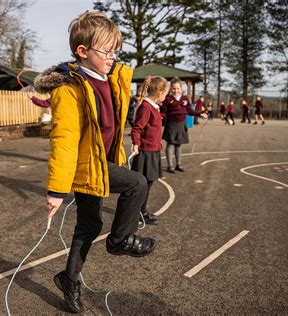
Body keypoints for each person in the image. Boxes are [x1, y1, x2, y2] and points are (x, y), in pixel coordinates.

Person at [33, 12, 155, 313]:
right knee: (137, 183)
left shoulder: (111, 78)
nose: (112, 56)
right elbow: (64, 140)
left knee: (89, 224)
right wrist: (57, 191)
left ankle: (68, 278)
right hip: (86, 165)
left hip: (102, 160)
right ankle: (120, 240)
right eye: (106, 51)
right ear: (82, 51)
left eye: (116, 50)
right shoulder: (69, 88)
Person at [131, 76, 169, 226]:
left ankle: (142, 210)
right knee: (143, 184)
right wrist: (136, 143)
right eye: (165, 94)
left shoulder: (154, 107)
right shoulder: (146, 107)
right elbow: (137, 128)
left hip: (154, 151)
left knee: (149, 182)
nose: (165, 97)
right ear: (159, 93)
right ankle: (138, 212)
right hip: (145, 153)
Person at [160, 78, 207, 173]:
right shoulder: (167, 99)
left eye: (178, 88)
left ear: (181, 88)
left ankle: (178, 164)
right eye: (173, 88)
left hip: (182, 124)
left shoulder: (185, 99)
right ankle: (170, 166)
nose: (176, 91)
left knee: (178, 145)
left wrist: (200, 114)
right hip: (171, 124)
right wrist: (159, 117)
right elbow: (163, 112)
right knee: (170, 144)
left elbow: (190, 110)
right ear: (170, 89)